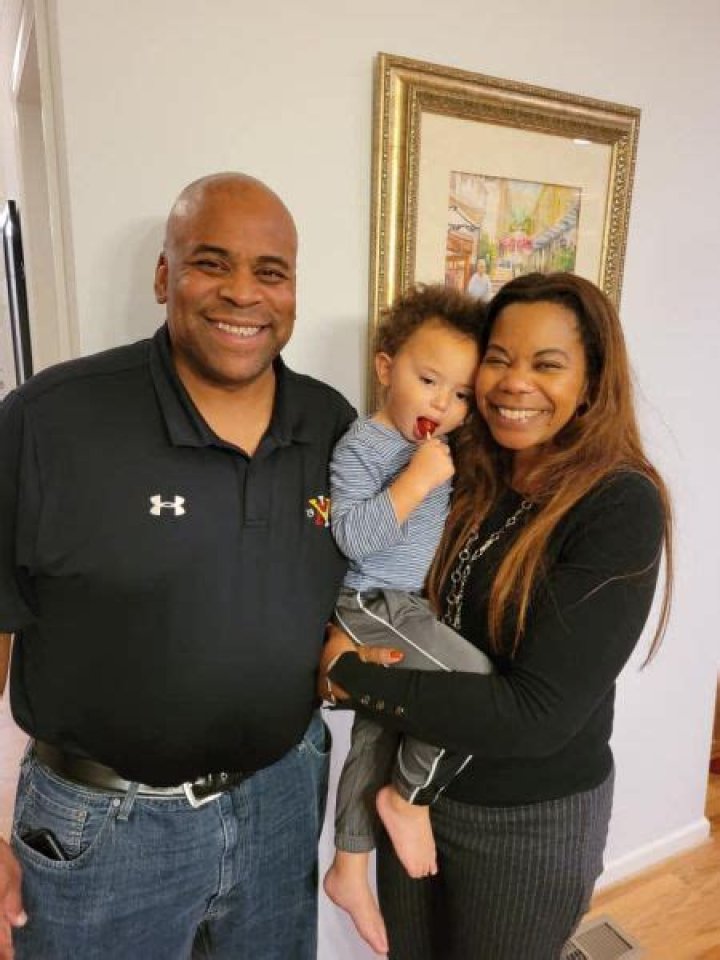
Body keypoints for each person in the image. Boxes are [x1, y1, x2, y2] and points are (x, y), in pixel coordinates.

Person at [0, 172, 355, 960]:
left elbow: (343, 583)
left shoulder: (330, 423)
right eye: (210, 262)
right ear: (164, 276)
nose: (243, 293)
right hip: (103, 834)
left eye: (271, 272)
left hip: (281, 801)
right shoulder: (49, 422)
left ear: (293, 291)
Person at [320, 272, 673, 960]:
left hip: (524, 821)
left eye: (547, 364)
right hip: (419, 789)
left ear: (592, 382)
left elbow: (537, 714)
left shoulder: (618, 503)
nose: (515, 383)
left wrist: (349, 677)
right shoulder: (467, 466)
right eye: (500, 359)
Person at [322, 285, 492, 955]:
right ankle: (408, 798)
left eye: (460, 394)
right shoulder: (364, 446)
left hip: (405, 604)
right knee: (472, 683)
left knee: (380, 727)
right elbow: (350, 536)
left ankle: (349, 865)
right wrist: (416, 482)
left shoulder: (439, 447)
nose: (441, 404)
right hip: (370, 601)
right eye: (428, 381)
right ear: (385, 367)